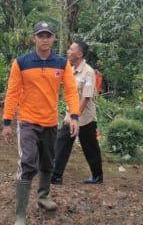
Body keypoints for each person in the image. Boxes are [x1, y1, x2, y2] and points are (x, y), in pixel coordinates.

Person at [1, 22, 80, 225]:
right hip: (27, 121)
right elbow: (12, 92)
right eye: (40, 35)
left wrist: (74, 116)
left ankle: (43, 195)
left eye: (48, 35)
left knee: (48, 160)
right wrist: (7, 121)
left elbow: (71, 91)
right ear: (34, 38)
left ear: (54, 38)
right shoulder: (21, 63)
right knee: (27, 160)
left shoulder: (62, 64)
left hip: (50, 121)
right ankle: (20, 213)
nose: (45, 39)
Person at [51, 40, 103, 185]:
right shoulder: (69, 69)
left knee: (90, 147)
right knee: (61, 143)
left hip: (85, 117)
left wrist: (75, 116)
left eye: (71, 49)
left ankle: (97, 175)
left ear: (79, 54)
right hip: (72, 116)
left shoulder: (89, 72)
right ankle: (56, 176)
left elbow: (86, 97)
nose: (68, 51)